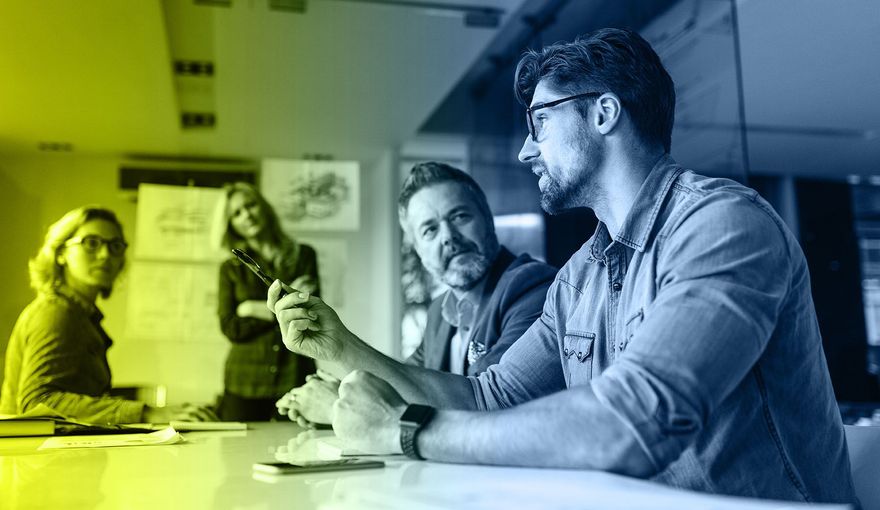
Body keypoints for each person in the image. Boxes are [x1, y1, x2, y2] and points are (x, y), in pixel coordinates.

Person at [268, 28, 857, 504]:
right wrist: (341, 348)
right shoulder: (579, 277)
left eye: (539, 122)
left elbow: (633, 421)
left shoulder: (724, 225)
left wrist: (405, 429)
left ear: (603, 114)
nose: (526, 150)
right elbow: (487, 397)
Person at [276, 162, 557, 426]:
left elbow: (484, 405)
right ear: (419, 251)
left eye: (459, 216)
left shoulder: (534, 288)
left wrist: (337, 407)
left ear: (487, 219)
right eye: (429, 230)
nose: (448, 236)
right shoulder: (439, 311)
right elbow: (406, 385)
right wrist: (343, 393)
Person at [0, 206, 215, 424]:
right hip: (34, 456)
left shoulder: (80, 315)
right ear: (61, 253)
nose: (105, 255)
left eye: (115, 246)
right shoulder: (56, 313)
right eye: (91, 243)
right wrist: (146, 412)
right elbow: (38, 402)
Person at [217, 182, 318, 421]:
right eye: (236, 213)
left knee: (299, 451)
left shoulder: (303, 255)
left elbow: (308, 314)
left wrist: (252, 308)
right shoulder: (229, 269)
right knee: (236, 456)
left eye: (250, 205)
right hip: (244, 382)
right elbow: (230, 327)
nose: (247, 215)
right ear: (230, 224)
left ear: (264, 207)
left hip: (294, 375)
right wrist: (282, 308)